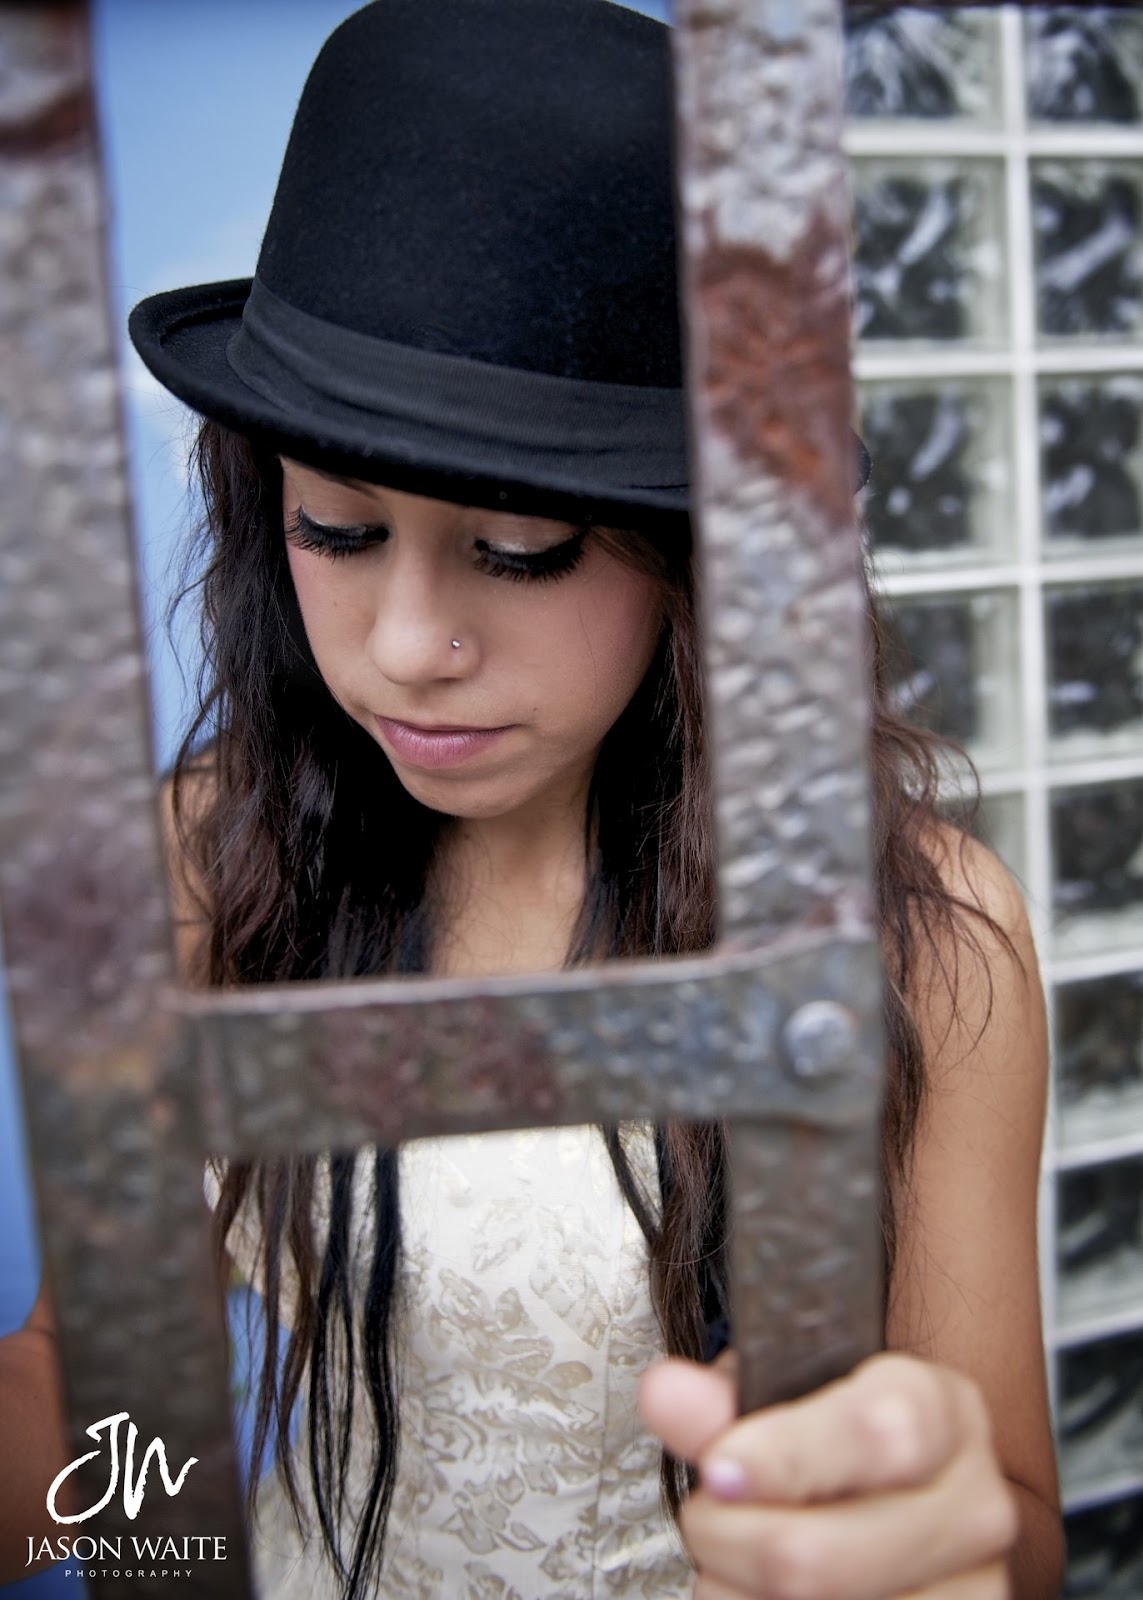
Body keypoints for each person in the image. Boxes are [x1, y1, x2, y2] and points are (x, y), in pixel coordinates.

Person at [2, 1, 1064, 1596]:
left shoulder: (918, 934)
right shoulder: (211, 851)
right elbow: (99, 1393)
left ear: (692, 557)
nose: (406, 648)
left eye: (516, 551)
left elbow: (1013, 1526)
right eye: (336, 530)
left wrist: (918, 1544)